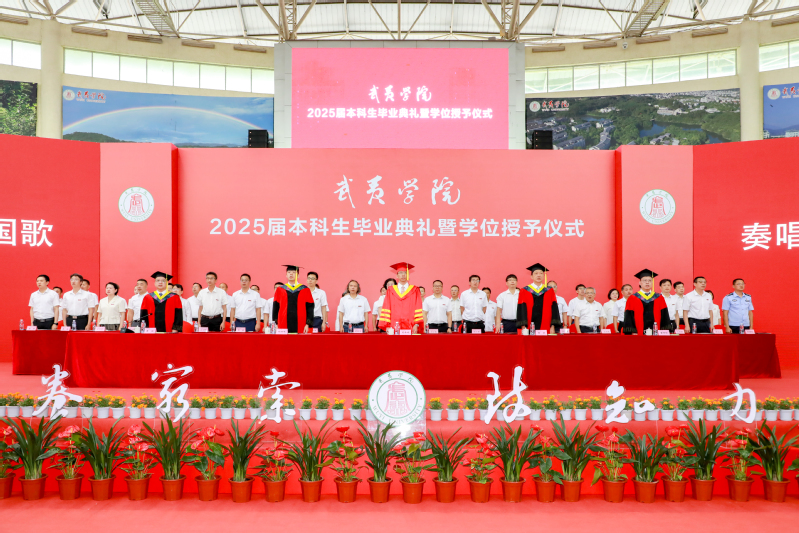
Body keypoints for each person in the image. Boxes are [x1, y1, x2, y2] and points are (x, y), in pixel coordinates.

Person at [378, 262, 423, 333]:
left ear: (408, 275)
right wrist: (387, 325)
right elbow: (387, 307)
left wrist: (417, 324)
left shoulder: (415, 290)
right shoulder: (391, 290)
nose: (403, 275)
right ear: (397, 275)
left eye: (405, 273)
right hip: (394, 325)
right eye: (401, 273)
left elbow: (418, 307)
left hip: (411, 325)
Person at [517, 263, 561, 334]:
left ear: (544, 276)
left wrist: (553, 326)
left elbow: (554, 308)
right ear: (531, 276)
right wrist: (523, 326)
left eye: (541, 273)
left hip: (546, 324)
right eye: (536, 273)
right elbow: (521, 308)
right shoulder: (524, 290)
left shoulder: (549, 290)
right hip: (528, 325)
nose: (538, 275)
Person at [623, 269, 670, 335]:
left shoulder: (659, 297)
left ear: (652, 283)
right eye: (644, 280)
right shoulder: (633, 298)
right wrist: (632, 331)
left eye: (650, 280)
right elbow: (629, 316)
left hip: (656, 332)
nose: (647, 282)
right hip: (638, 333)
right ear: (640, 283)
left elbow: (664, 315)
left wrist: (664, 331)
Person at [273, 265, 314, 334]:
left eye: (294, 272)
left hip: (301, 323)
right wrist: (276, 323)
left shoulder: (305, 289)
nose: (291, 274)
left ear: (298, 275)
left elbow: (310, 308)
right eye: (289, 272)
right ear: (286, 275)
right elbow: (276, 306)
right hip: (283, 322)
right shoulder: (280, 289)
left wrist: (308, 324)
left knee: (299, 340)